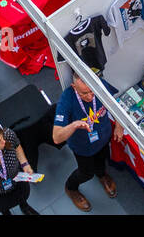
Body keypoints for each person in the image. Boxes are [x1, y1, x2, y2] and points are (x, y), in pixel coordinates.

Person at [53, 73, 123, 211]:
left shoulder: (100, 84)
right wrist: (73, 125)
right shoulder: (67, 98)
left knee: (102, 161)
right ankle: (71, 188)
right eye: (85, 93)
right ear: (74, 87)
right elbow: (56, 137)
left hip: (103, 136)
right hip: (82, 146)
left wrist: (119, 125)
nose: (91, 96)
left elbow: (113, 103)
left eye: (92, 91)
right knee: (86, 173)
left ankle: (102, 175)